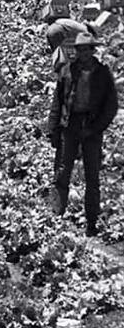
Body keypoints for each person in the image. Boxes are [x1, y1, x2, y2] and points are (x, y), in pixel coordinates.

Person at [48, 33, 117, 237]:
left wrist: (96, 128)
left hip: (92, 125)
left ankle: (91, 221)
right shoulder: (68, 71)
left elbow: (111, 106)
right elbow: (57, 102)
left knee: (92, 175)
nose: (83, 53)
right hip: (70, 124)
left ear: (92, 51)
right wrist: (53, 128)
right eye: (80, 50)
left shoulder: (103, 73)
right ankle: (57, 213)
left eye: (87, 49)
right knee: (62, 171)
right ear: (76, 51)